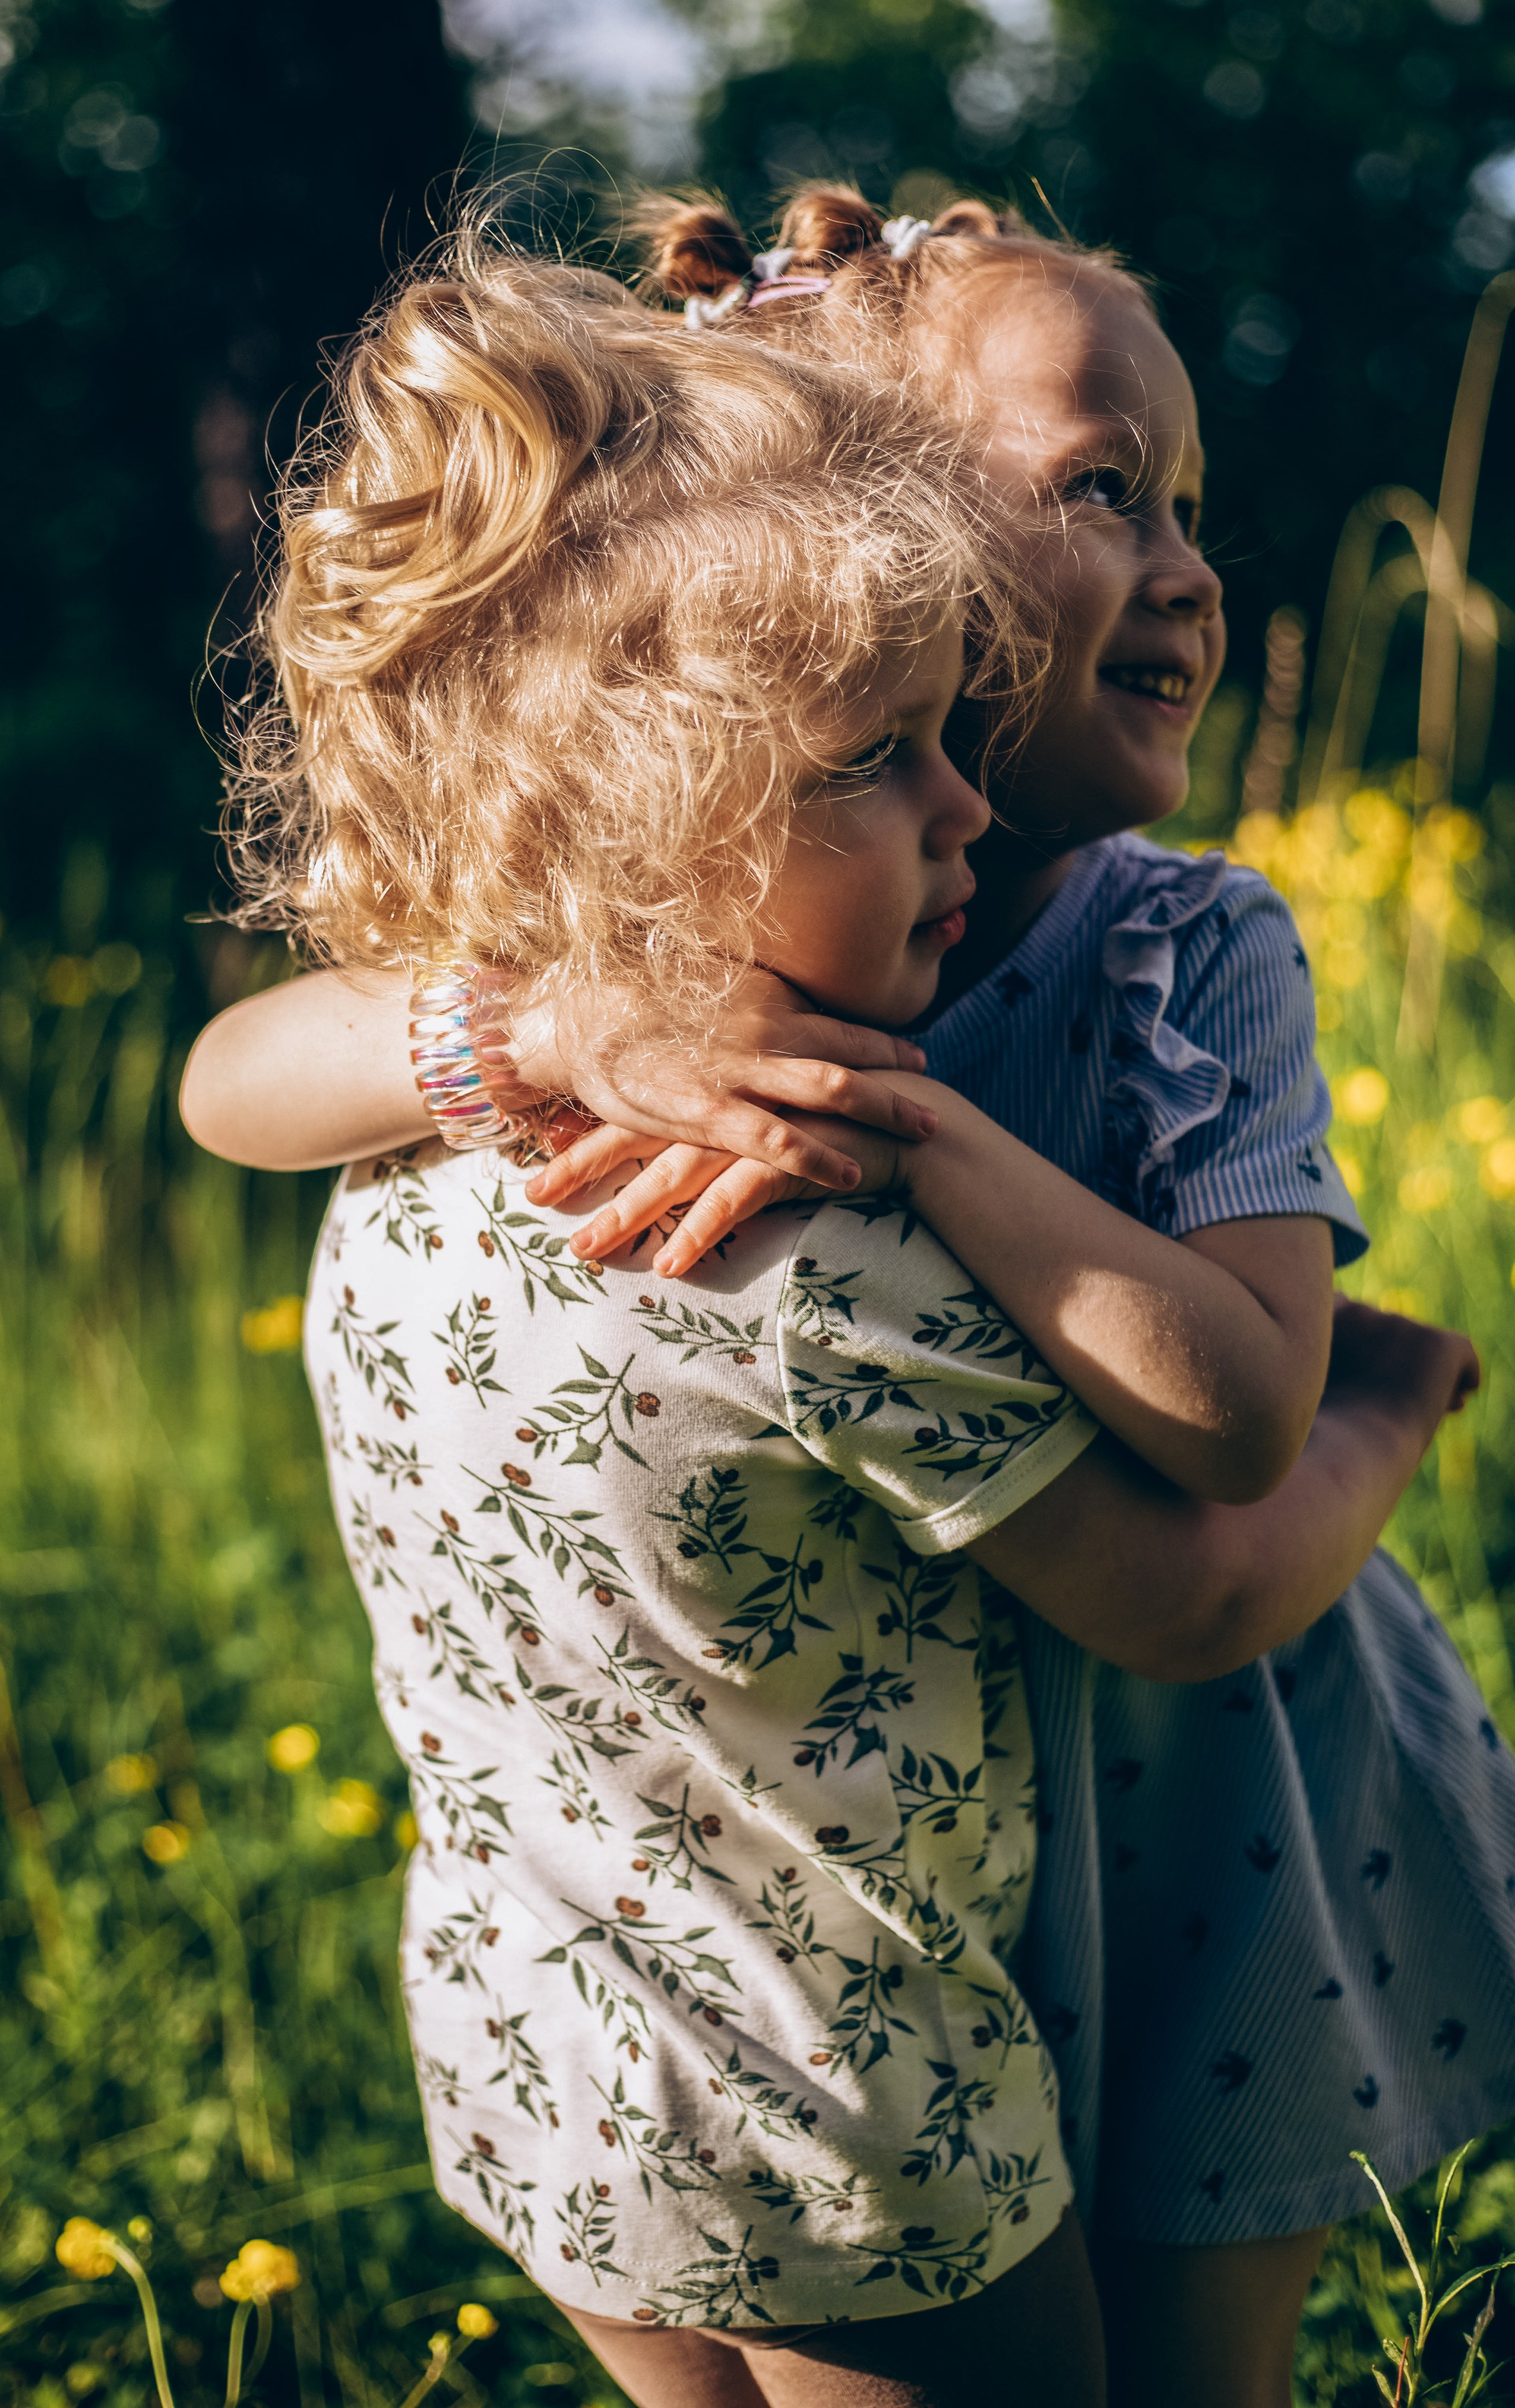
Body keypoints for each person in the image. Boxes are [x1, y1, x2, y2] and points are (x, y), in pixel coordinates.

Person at [184, 230, 1474, 2408]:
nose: (1185, 568)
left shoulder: (1179, 948)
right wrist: (552, 1024)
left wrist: (947, 1143)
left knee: (1190, 2327)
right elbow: (231, 1083)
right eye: (1096, 492)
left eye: (1186, 502)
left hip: (1191, 1779)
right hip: (860, 1843)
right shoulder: (722, 981)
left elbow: (1244, 1456)